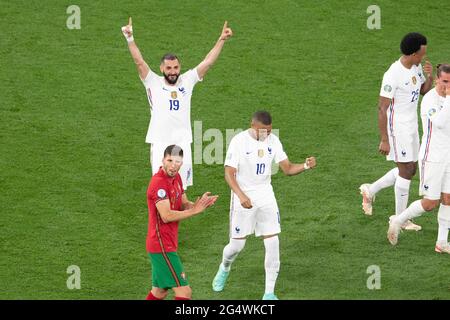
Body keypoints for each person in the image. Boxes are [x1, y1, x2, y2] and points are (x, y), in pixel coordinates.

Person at [211, 111, 317, 300]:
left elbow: (288, 169)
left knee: (273, 242)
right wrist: (241, 195)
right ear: (252, 125)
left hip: (266, 195)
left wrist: (306, 166)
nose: (266, 134)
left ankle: (269, 293)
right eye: (262, 131)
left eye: (268, 130)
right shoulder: (239, 141)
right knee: (236, 246)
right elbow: (229, 173)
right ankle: (225, 267)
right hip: (243, 196)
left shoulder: (273, 141)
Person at [121, 17, 233, 189]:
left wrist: (221, 39)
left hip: (182, 141)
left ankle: (179, 215)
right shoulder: (152, 81)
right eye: (169, 68)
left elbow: (208, 62)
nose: (173, 72)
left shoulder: (187, 80)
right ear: (162, 68)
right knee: (161, 187)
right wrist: (130, 38)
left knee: (181, 190)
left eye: (175, 68)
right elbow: (139, 62)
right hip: (160, 141)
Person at [359, 32, 433, 231]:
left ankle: (370, 190)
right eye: (421, 54)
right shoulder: (393, 74)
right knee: (406, 171)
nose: (423, 57)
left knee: (411, 169)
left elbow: (423, 90)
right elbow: (382, 107)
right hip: (397, 128)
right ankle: (399, 219)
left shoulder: (416, 67)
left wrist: (429, 76)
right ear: (412, 53)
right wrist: (384, 139)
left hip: (411, 125)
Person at [387, 64, 450, 252]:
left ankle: (441, 242)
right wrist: (448, 99)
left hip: (449, 156)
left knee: (448, 198)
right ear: (437, 79)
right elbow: (438, 123)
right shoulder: (430, 100)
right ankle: (398, 220)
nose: (448, 85)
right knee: (430, 203)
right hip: (432, 157)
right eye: (445, 81)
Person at [145, 145, 218, 300]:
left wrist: (199, 205)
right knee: (184, 292)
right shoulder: (158, 183)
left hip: (167, 242)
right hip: (161, 245)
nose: (173, 165)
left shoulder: (177, 178)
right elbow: (166, 215)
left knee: (160, 292)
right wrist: (194, 211)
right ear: (163, 160)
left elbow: (183, 204)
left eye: (177, 162)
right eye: (169, 160)